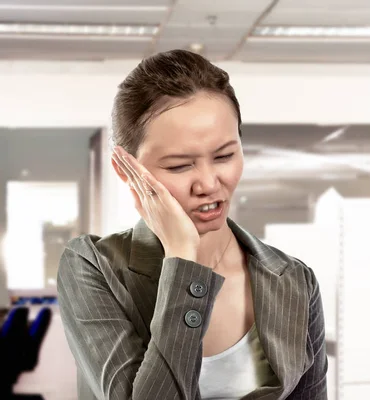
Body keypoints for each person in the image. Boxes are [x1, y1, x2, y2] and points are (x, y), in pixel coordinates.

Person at [57, 49, 328, 400]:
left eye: (225, 156)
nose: (209, 184)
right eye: (179, 166)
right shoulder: (94, 266)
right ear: (127, 171)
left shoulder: (294, 280)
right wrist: (183, 258)